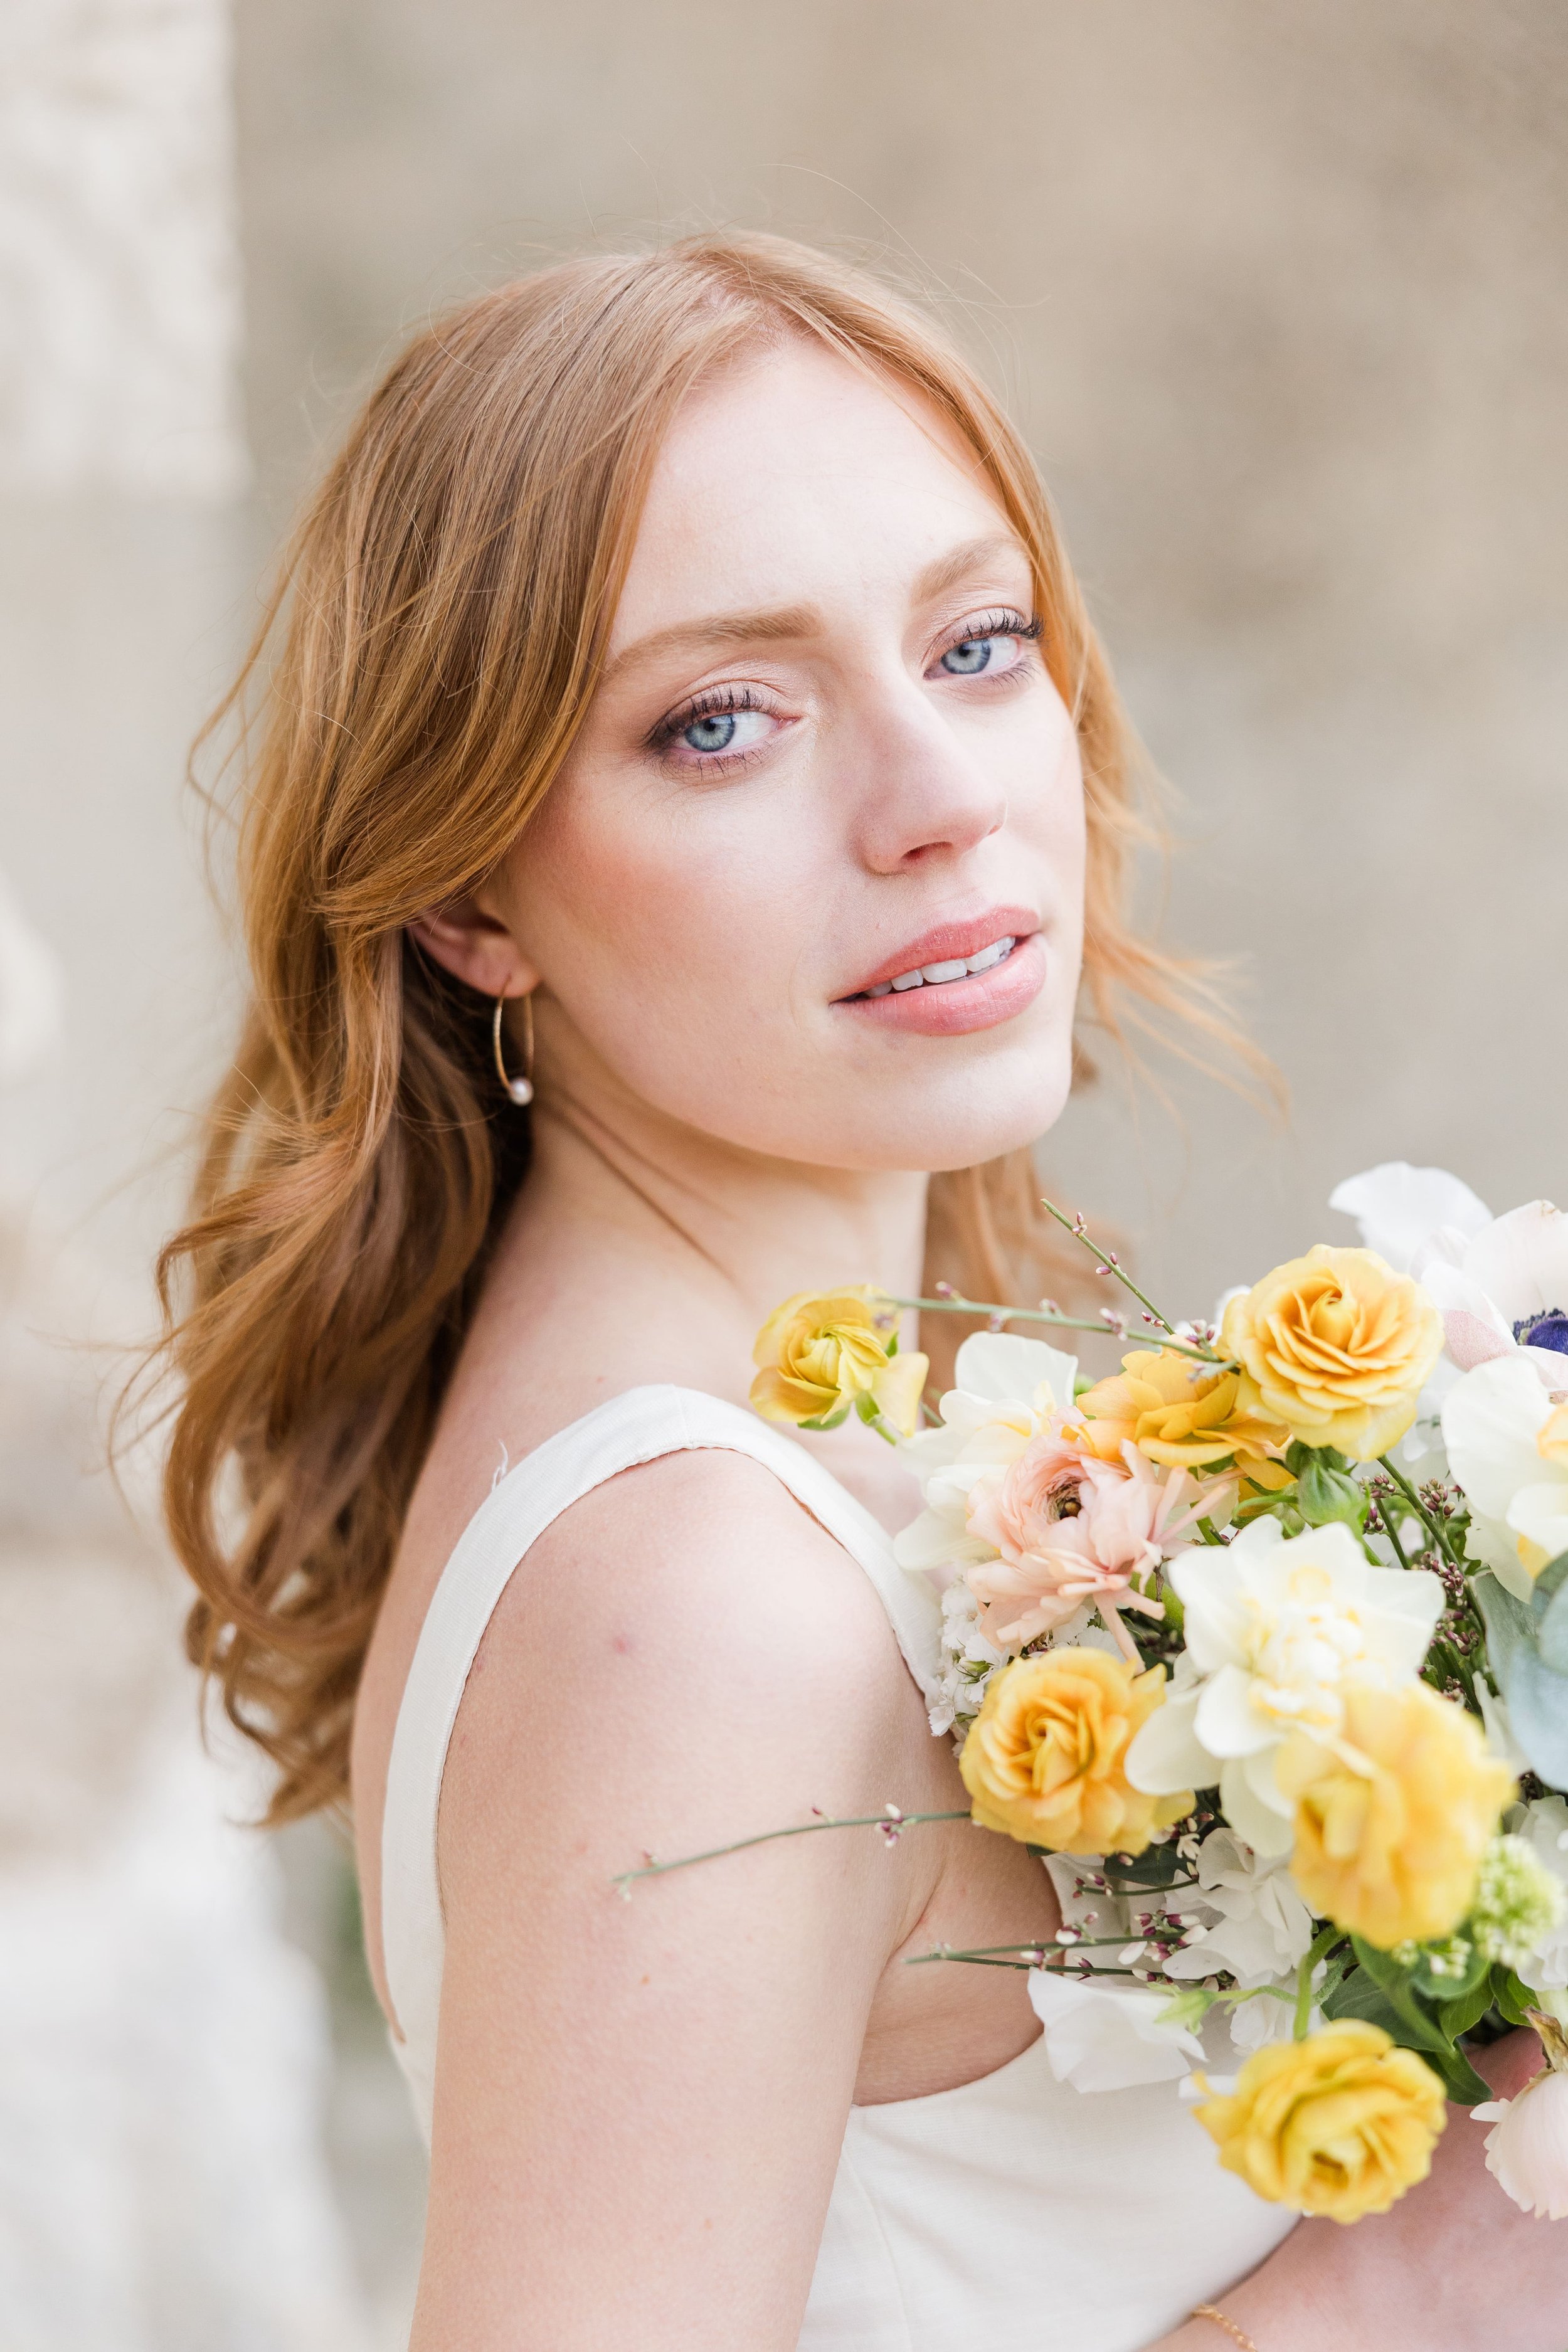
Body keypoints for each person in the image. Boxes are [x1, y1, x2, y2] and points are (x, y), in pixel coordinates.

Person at [152, 235, 1567, 2349]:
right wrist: (1391, 2301)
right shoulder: (704, 1605)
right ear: (465, 897)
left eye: (976, 643)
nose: (940, 801)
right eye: (720, 721)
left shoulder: (831, 1467)